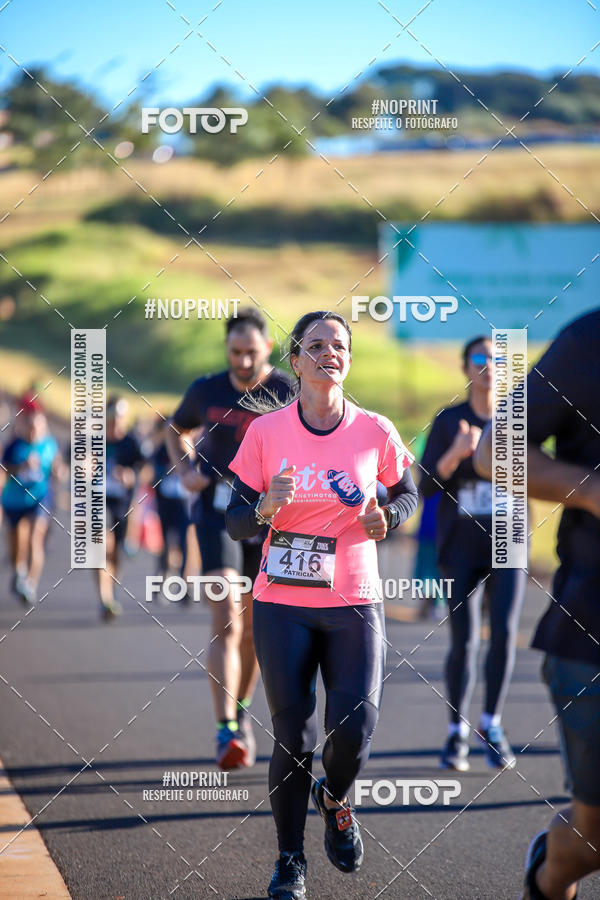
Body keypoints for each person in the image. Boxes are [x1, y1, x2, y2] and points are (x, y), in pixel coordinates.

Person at [225, 311, 418, 900]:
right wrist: (263, 509)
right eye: (317, 345)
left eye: (340, 345)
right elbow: (233, 522)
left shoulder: (375, 430)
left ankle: (335, 798)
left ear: (349, 360)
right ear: (295, 360)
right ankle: (289, 861)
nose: (329, 352)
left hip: (355, 599)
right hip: (282, 600)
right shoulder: (266, 433)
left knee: (357, 728)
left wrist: (390, 516)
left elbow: (409, 492)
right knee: (291, 733)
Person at [474, 309, 600, 900]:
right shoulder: (588, 341)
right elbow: (493, 450)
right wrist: (594, 491)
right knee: (595, 832)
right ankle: (551, 871)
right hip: (591, 627)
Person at [167, 307, 294, 770]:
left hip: (269, 520)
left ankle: (238, 716)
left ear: (268, 350)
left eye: (251, 353)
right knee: (227, 619)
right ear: (227, 350)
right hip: (217, 514)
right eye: (235, 352)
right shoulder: (206, 389)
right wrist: (184, 470)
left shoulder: (286, 390)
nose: (242, 361)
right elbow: (174, 427)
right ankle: (225, 731)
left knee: (256, 632)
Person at [420, 336, 526, 772]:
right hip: (460, 543)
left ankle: (492, 724)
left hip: (509, 539)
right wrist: (457, 453)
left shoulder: (518, 421)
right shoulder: (449, 421)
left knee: (502, 631)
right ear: (466, 368)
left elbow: (537, 478)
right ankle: (456, 732)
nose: (489, 365)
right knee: (463, 641)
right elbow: (423, 486)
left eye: (497, 358)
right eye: (480, 358)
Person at [1, 397, 62, 605]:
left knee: (35, 539)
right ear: (24, 427)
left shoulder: (49, 445)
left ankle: (30, 584)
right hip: (14, 500)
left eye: (38, 427)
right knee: (17, 540)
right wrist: (21, 467)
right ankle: (19, 570)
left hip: (40, 498)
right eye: (31, 427)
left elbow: (58, 469)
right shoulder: (14, 446)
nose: (34, 432)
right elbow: (4, 471)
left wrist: (59, 472)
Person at [98, 396, 144, 620]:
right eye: (112, 418)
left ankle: (112, 591)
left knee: (115, 552)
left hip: (120, 504)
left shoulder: (132, 442)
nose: (116, 423)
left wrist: (131, 476)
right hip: (95, 502)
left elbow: (147, 470)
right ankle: (104, 599)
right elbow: (69, 460)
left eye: (120, 418)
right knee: (101, 546)